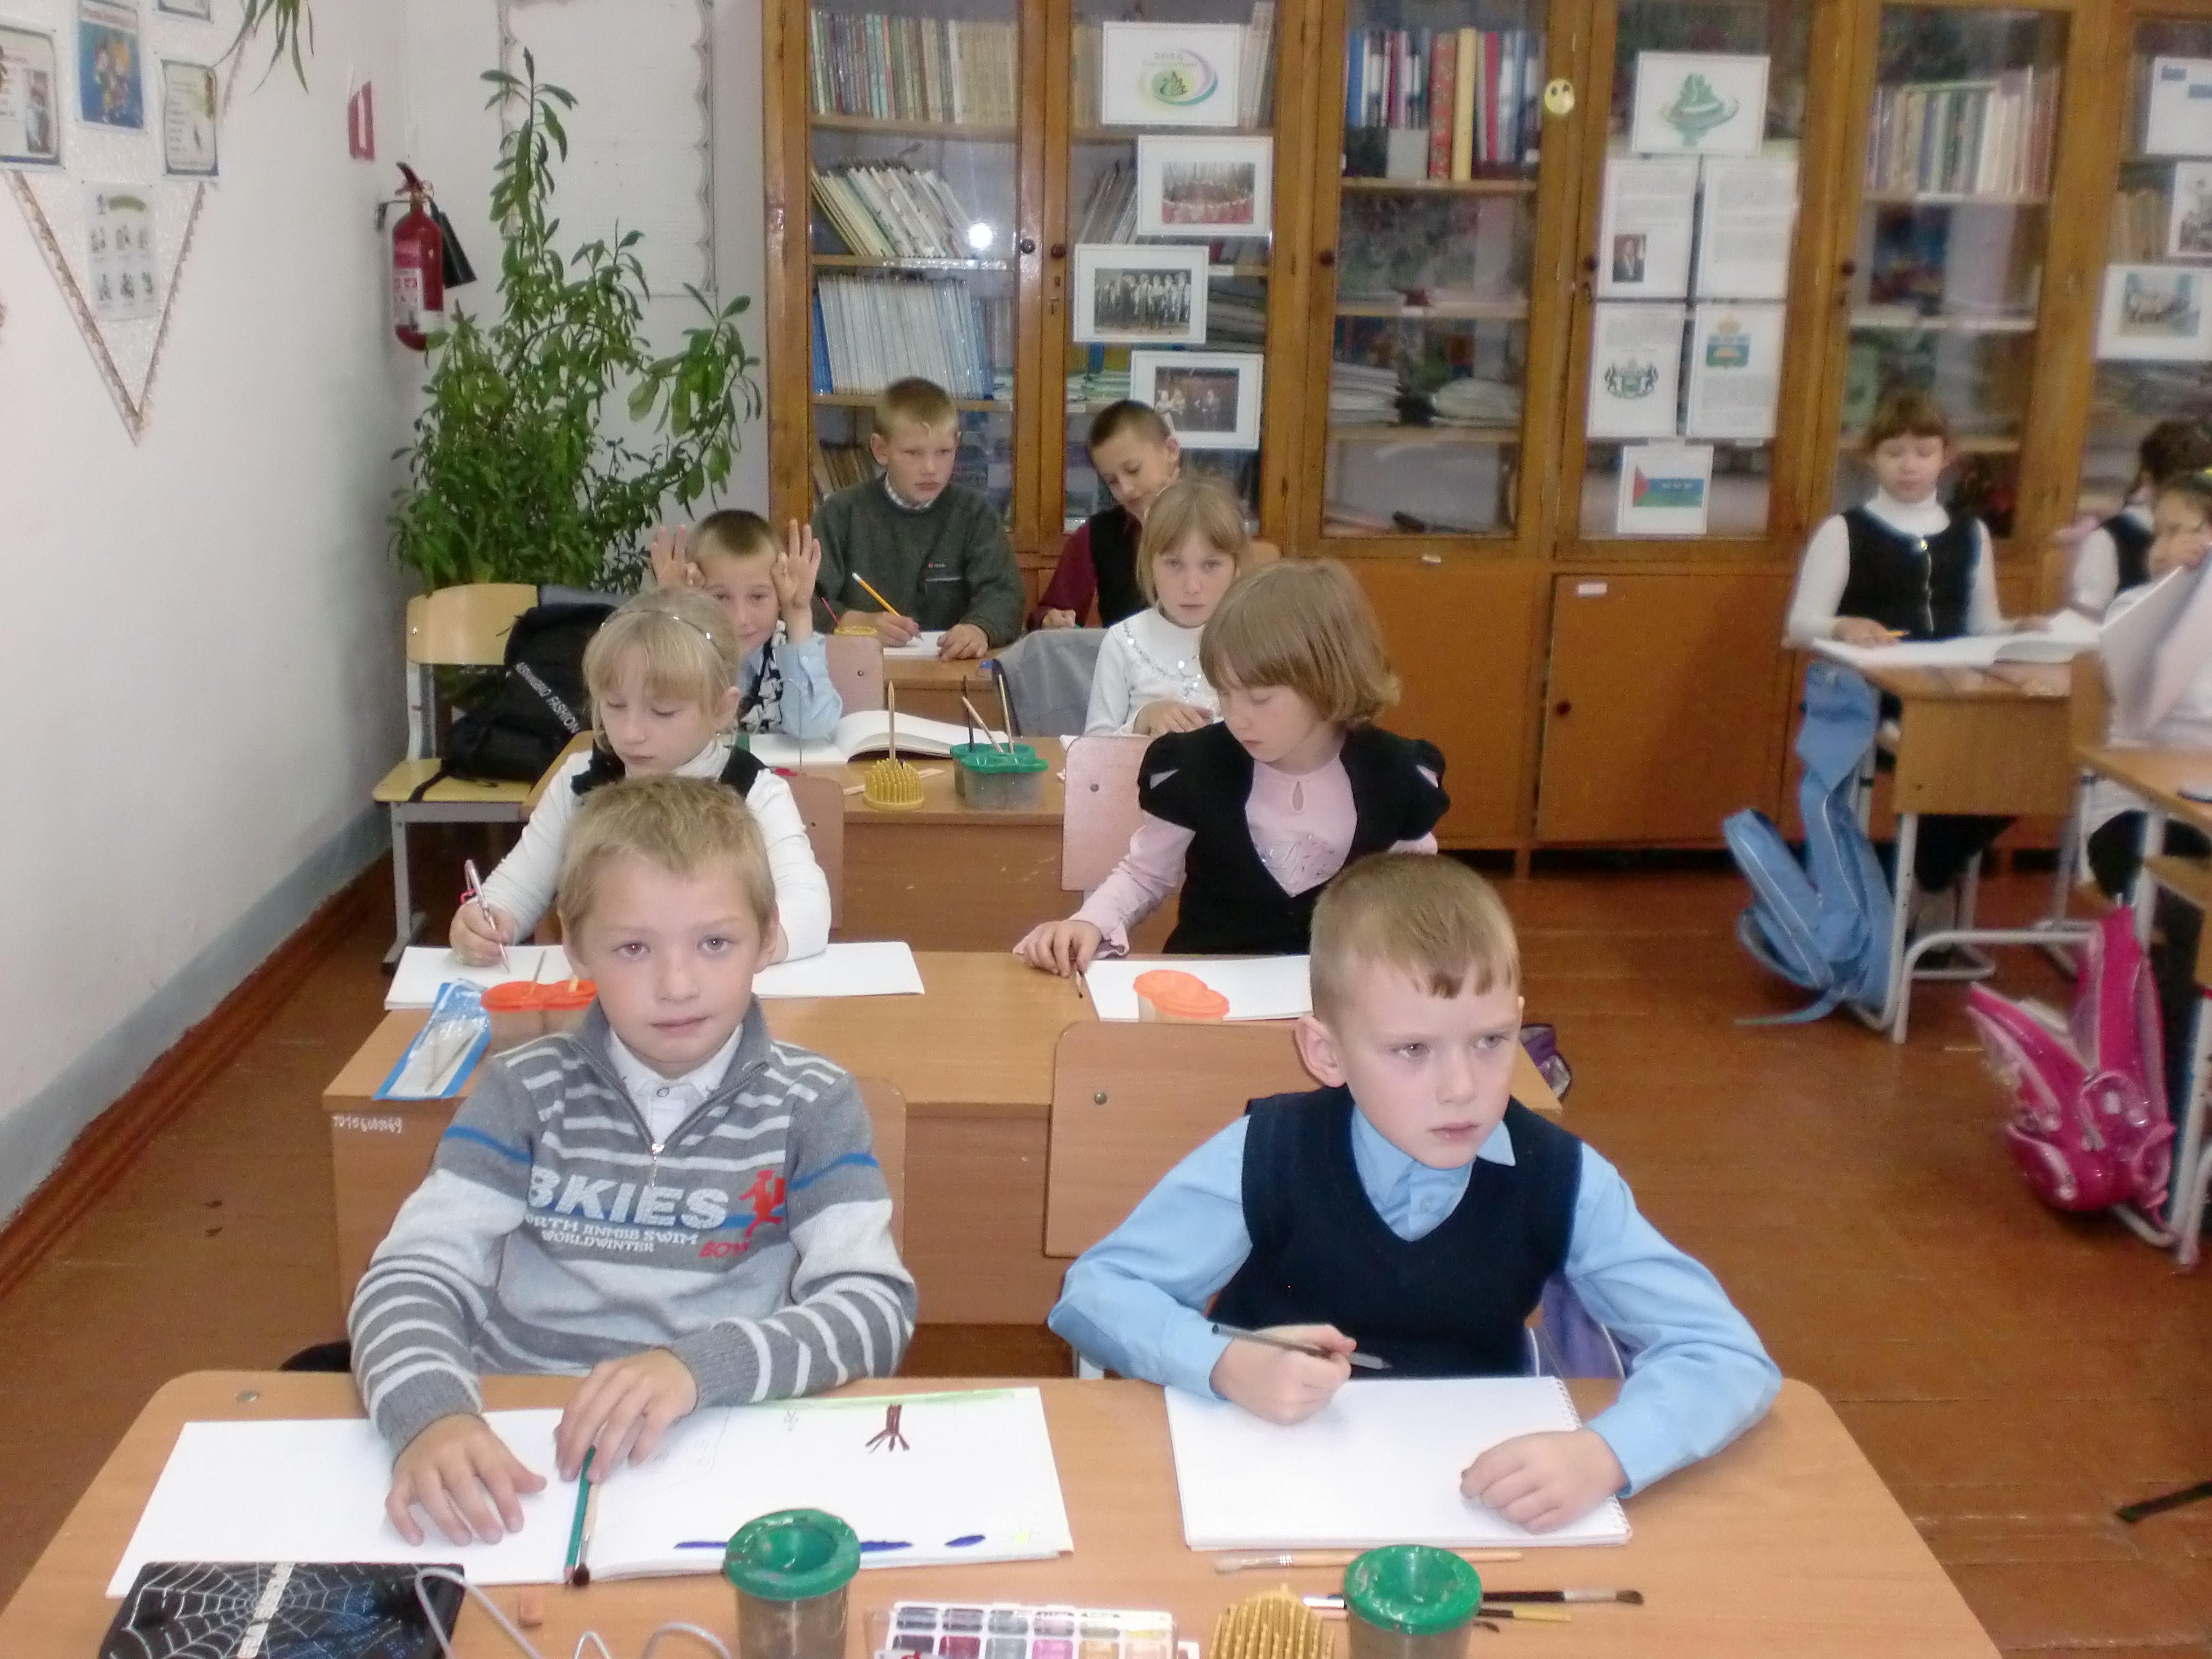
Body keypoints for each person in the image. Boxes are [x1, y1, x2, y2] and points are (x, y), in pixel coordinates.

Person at [1047, 854, 1779, 1532]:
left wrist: (1606, 1455)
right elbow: (1096, 1291)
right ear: (1325, 1052)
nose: (1460, 1087)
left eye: (1490, 1041)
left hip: (1468, 1497)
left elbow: (1725, 1354)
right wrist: (1223, 1363)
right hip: (1268, 1478)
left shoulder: (1564, 1179)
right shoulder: (1269, 1154)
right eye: (1412, 1050)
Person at [355, 775, 915, 1547]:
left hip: (718, 1436)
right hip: (521, 1451)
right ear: (575, 948)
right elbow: (411, 1275)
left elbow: (873, 1307)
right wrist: (432, 1417)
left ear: (767, 939)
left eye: (715, 943)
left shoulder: (813, 1104)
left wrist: (699, 1367)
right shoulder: (521, 1092)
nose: (677, 985)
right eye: (632, 948)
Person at [1017, 559, 1447, 970]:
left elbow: (1420, 899)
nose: (1237, 717)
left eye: (1259, 699)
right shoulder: (1196, 766)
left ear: (1328, 682)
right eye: (1224, 693)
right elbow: (1146, 875)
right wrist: (1089, 923)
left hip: (1339, 999)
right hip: (1207, 991)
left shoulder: (1396, 775)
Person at [452, 588, 833, 966]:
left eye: (663, 712)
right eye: (615, 706)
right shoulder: (579, 782)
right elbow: (515, 891)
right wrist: (484, 923)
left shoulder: (754, 792)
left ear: (722, 708)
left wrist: (731, 952)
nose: (631, 733)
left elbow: (809, 910)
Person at [1782, 389, 2027, 933]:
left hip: (1958, 690)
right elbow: (1800, 623)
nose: (1909, 465)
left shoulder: (1971, 532)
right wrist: (1842, 625)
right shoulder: (1844, 531)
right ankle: (1923, 881)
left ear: (1946, 456)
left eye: (1923, 452)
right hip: (1878, 697)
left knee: (2023, 762)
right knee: (1944, 754)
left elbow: (1984, 626)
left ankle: (1926, 873)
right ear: (1871, 458)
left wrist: (2023, 632)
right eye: (1894, 453)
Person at [2083, 468, 2212, 1112]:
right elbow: (2147, 695)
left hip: (2200, 815)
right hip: (2134, 816)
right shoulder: (2134, 608)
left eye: (2179, 532)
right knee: (2192, 924)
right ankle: (2170, 1103)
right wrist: (2188, 590)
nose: (2160, 548)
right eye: (2157, 532)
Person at [811, 377, 1024, 659]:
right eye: (913, 453)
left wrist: (979, 628)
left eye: (944, 452)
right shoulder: (840, 514)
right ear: (880, 450)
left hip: (951, 668)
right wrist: (855, 622)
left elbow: (1005, 595)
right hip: (864, 667)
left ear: (957, 445)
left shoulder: (974, 514)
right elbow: (803, 600)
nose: (930, 468)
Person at [650, 509, 842, 742]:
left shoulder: (790, 645)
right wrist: (678, 611)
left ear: (779, 595)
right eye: (721, 597)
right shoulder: (687, 648)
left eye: (757, 597)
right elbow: (660, 725)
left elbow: (812, 727)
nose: (740, 618)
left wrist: (798, 615)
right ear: (697, 593)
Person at [1084, 477, 1251, 736]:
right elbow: (1093, 747)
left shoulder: (1255, 641)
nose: (1192, 586)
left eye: (1211, 565)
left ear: (1236, 568)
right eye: (1174, 564)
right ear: (1150, 564)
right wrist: (1141, 722)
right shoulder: (1123, 642)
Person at [1034, 401, 1185, 630]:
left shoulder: (1217, 520)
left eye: (1133, 470)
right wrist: (1051, 620)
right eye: (1112, 481)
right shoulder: (1098, 534)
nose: (1126, 490)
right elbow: (1048, 614)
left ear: (1171, 451)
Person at [2070, 419, 2212, 617]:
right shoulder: (2113, 539)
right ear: (2150, 483)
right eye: (2162, 533)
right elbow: (2084, 619)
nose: (2158, 551)